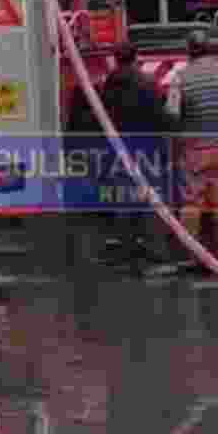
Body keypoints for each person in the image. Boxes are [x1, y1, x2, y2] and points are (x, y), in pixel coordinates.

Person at [71, 43, 173, 267]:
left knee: (123, 199)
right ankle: (155, 249)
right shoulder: (148, 83)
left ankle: (127, 248)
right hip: (147, 149)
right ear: (136, 57)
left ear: (116, 59)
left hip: (119, 150)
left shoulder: (110, 85)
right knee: (151, 199)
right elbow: (161, 118)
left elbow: (103, 117)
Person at [165, 30, 218, 268]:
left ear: (189, 50)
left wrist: (177, 136)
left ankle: (190, 254)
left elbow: (172, 112)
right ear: (209, 49)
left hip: (193, 147)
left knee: (192, 201)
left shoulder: (180, 77)